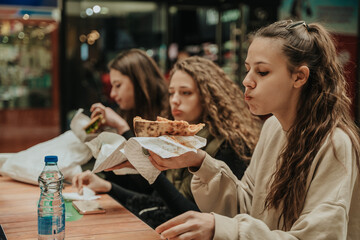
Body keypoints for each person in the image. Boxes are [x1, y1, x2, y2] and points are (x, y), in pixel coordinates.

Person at [149, 20, 360, 239]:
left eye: (262, 72)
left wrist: (220, 228)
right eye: (248, 69)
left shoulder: (335, 144)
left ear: (299, 77)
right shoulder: (273, 127)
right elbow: (248, 204)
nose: (247, 81)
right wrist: (198, 160)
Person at [73, 56, 262, 228]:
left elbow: (195, 218)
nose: (175, 101)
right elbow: (159, 203)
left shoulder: (231, 145)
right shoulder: (176, 136)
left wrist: (149, 168)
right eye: (171, 93)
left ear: (209, 96)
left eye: (186, 93)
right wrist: (109, 187)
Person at [88, 48, 169, 193]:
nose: (113, 94)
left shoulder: (167, 120)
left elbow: (149, 185)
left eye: (118, 85)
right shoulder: (130, 113)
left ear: (139, 82)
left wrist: (122, 127)